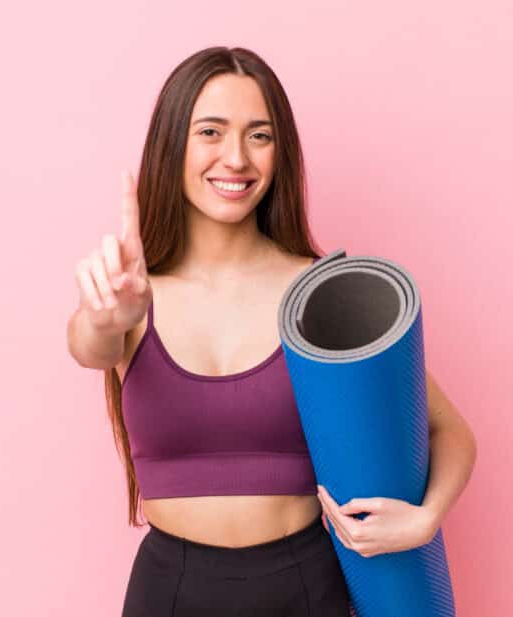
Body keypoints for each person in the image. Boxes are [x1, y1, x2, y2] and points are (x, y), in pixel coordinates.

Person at [67, 46, 476, 617]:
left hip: (304, 586)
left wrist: (424, 520)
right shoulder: (131, 293)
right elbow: (90, 345)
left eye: (259, 136)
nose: (235, 158)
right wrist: (105, 316)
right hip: (169, 591)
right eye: (210, 131)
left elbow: (449, 431)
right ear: (171, 145)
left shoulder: (318, 292)